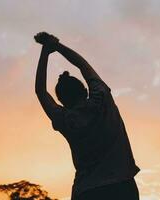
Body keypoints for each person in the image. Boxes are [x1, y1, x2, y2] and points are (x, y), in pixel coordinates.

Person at [34, 32, 140, 200]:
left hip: (87, 192)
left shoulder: (65, 120)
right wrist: (57, 46)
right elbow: (84, 66)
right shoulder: (102, 96)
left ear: (62, 101)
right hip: (122, 186)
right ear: (84, 90)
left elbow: (40, 91)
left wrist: (45, 52)